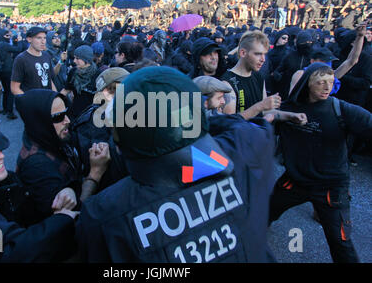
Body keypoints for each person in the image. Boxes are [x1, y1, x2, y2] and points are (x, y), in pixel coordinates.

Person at [75, 66, 277, 263]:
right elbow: (247, 127)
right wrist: (189, 123)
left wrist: (93, 177)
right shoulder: (246, 149)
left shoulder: (103, 214)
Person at [269, 62, 372, 263]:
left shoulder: (341, 109)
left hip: (330, 188)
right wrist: (285, 115)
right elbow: (264, 118)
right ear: (308, 84)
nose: (327, 87)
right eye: (321, 82)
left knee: (341, 243)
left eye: (331, 82)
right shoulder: (291, 107)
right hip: (295, 181)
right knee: (265, 211)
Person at [15, 89, 110, 223]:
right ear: (40, 121)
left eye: (66, 113)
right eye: (58, 117)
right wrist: (95, 173)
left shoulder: (53, 137)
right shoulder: (37, 166)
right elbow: (68, 221)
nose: (67, 120)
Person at [221, 31, 307, 124]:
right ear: (243, 53)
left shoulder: (258, 77)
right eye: (258, 54)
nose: (263, 59)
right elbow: (229, 123)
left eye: (264, 54)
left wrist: (291, 116)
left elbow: (265, 111)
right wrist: (260, 106)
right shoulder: (227, 83)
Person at [11, 26, 57, 95]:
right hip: (30, 102)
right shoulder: (21, 59)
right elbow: (14, 88)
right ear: (29, 39)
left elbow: (49, 80)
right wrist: (28, 102)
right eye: (39, 38)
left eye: (44, 38)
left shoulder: (46, 55)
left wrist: (56, 97)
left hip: (47, 101)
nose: (43, 41)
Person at [63, 45, 100, 119]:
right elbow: (66, 90)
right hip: (74, 114)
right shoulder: (73, 72)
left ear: (86, 59)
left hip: (90, 116)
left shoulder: (97, 74)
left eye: (77, 58)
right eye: (74, 58)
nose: (74, 61)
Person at [0, 29, 23, 119]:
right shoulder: (4, 44)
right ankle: (10, 112)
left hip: (1, 70)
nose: (9, 37)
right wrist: (19, 41)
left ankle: (5, 109)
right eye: (7, 36)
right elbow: (18, 49)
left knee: (6, 91)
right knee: (11, 91)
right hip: (8, 70)